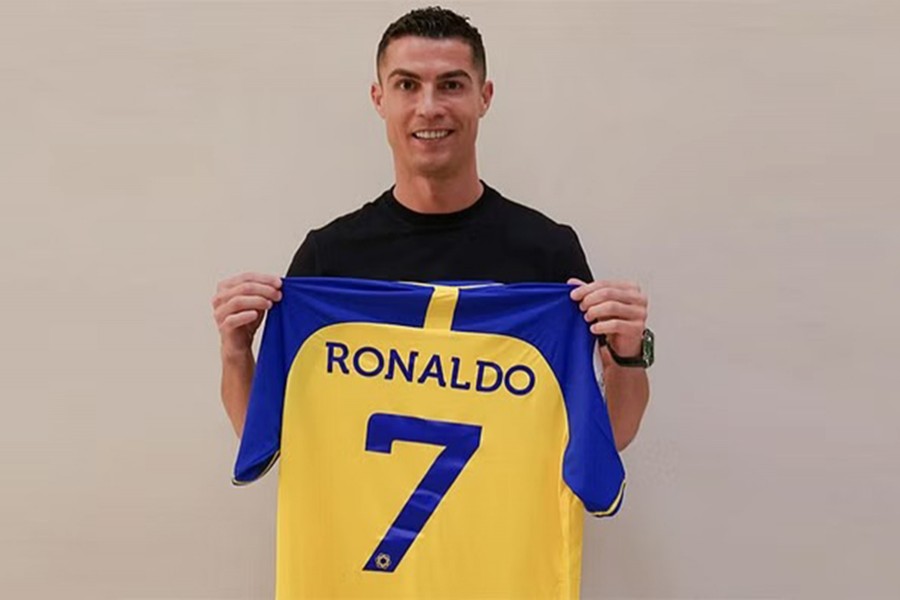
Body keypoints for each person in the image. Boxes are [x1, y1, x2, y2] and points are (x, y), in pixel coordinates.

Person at [211, 6, 651, 451]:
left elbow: (609, 437)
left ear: (484, 97)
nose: (429, 108)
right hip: (362, 502)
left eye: (451, 85)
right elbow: (268, 439)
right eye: (407, 85)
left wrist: (628, 353)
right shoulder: (329, 257)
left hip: (508, 502)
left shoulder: (548, 251)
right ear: (379, 98)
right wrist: (236, 351)